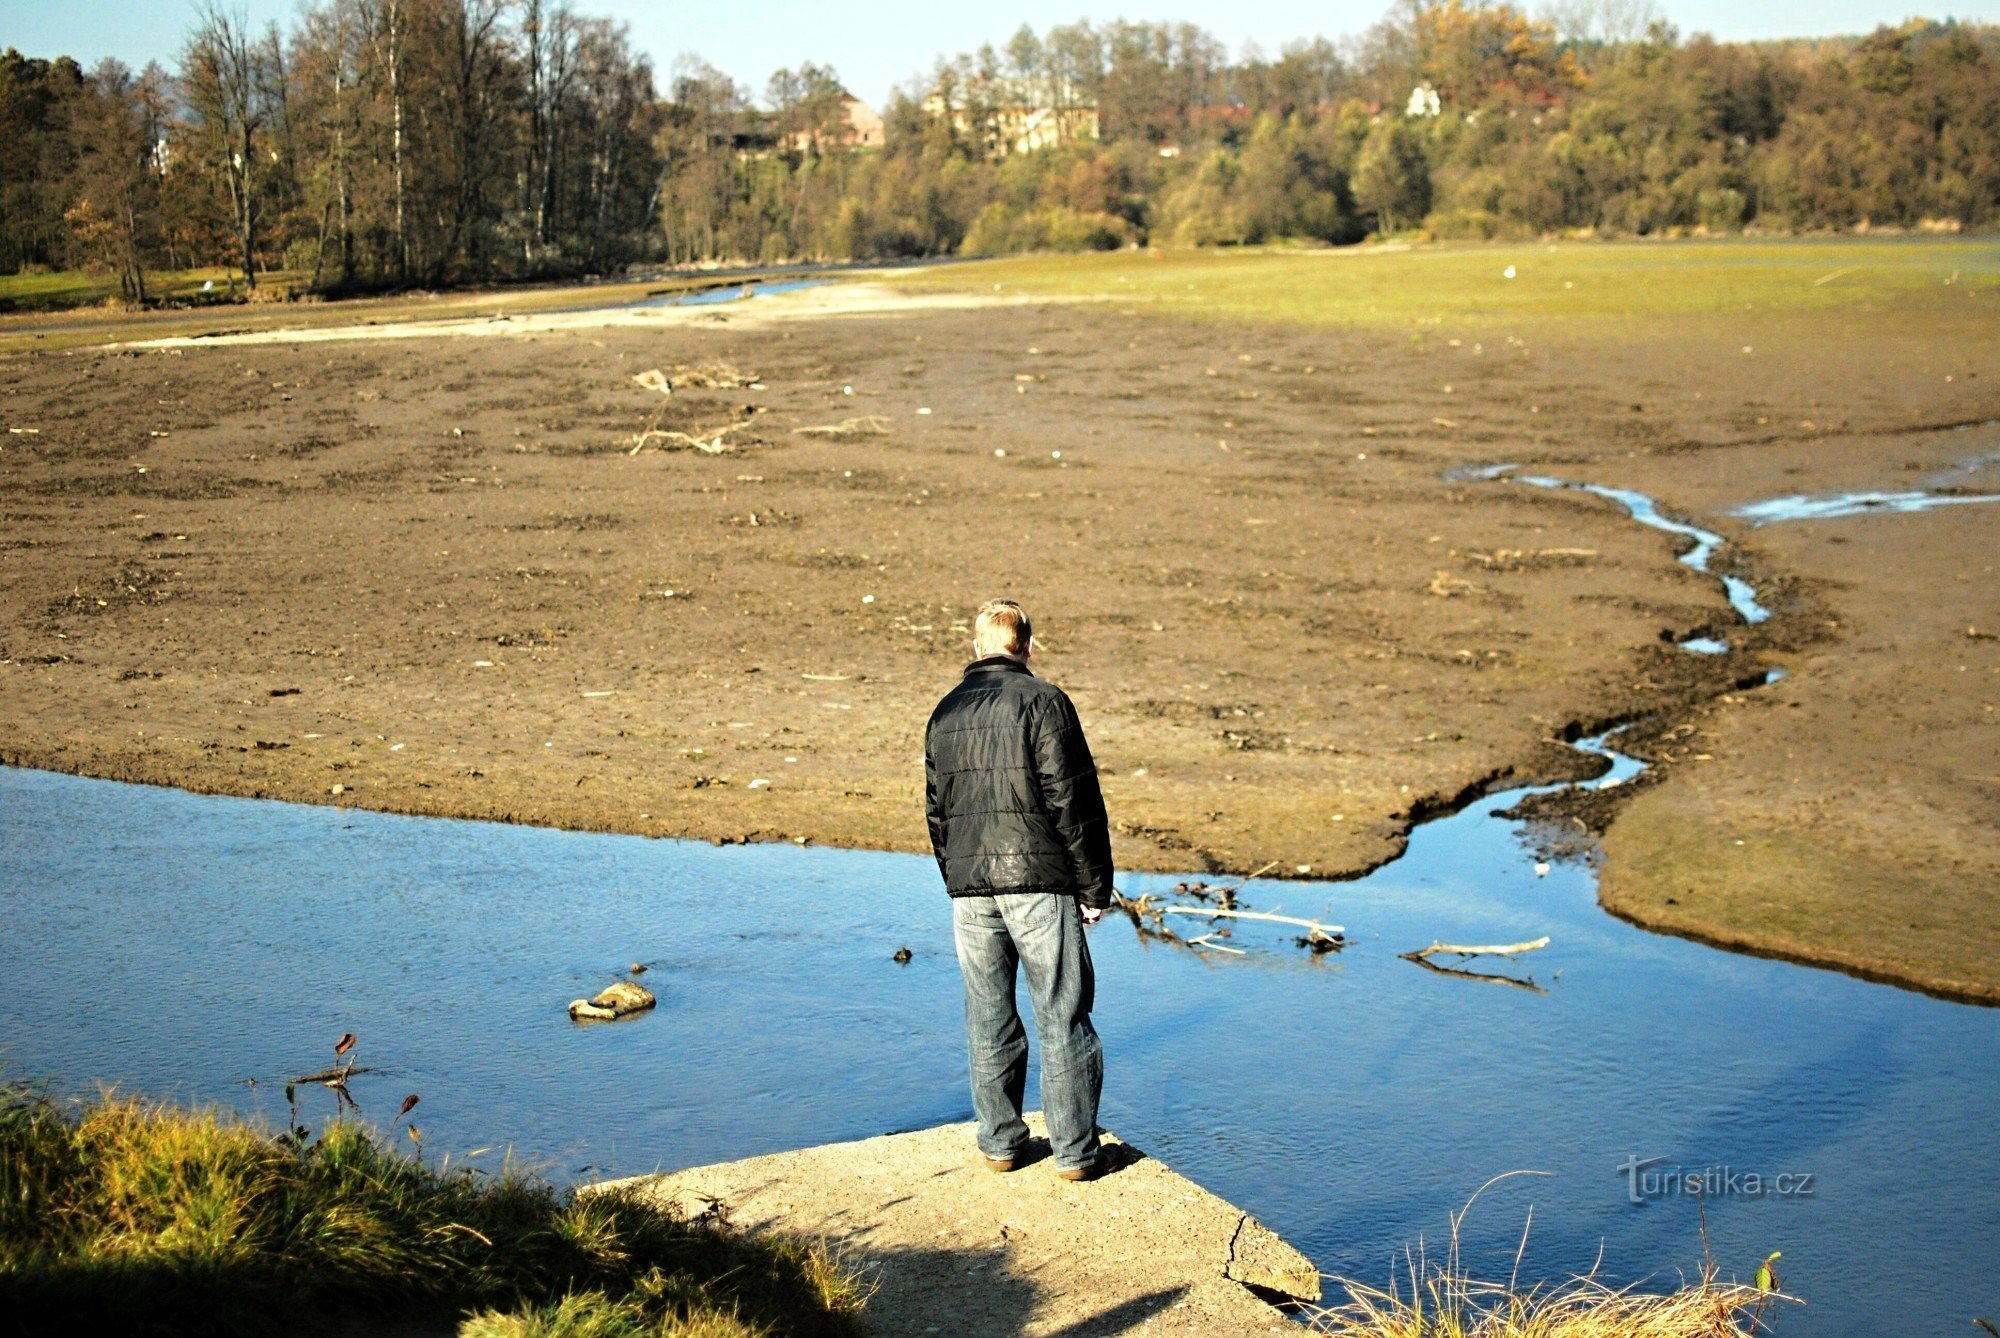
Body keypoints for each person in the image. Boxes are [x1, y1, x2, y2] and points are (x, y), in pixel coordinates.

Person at [924, 599, 1115, 1182]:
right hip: (1039, 883)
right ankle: (1076, 1154)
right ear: (1027, 645)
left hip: (970, 886)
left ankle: (1001, 1144)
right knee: (1062, 1013)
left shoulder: (945, 712)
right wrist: (1094, 887)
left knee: (987, 1014)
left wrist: (956, 877)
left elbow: (937, 811)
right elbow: (1073, 800)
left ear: (977, 645)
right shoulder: (1045, 701)